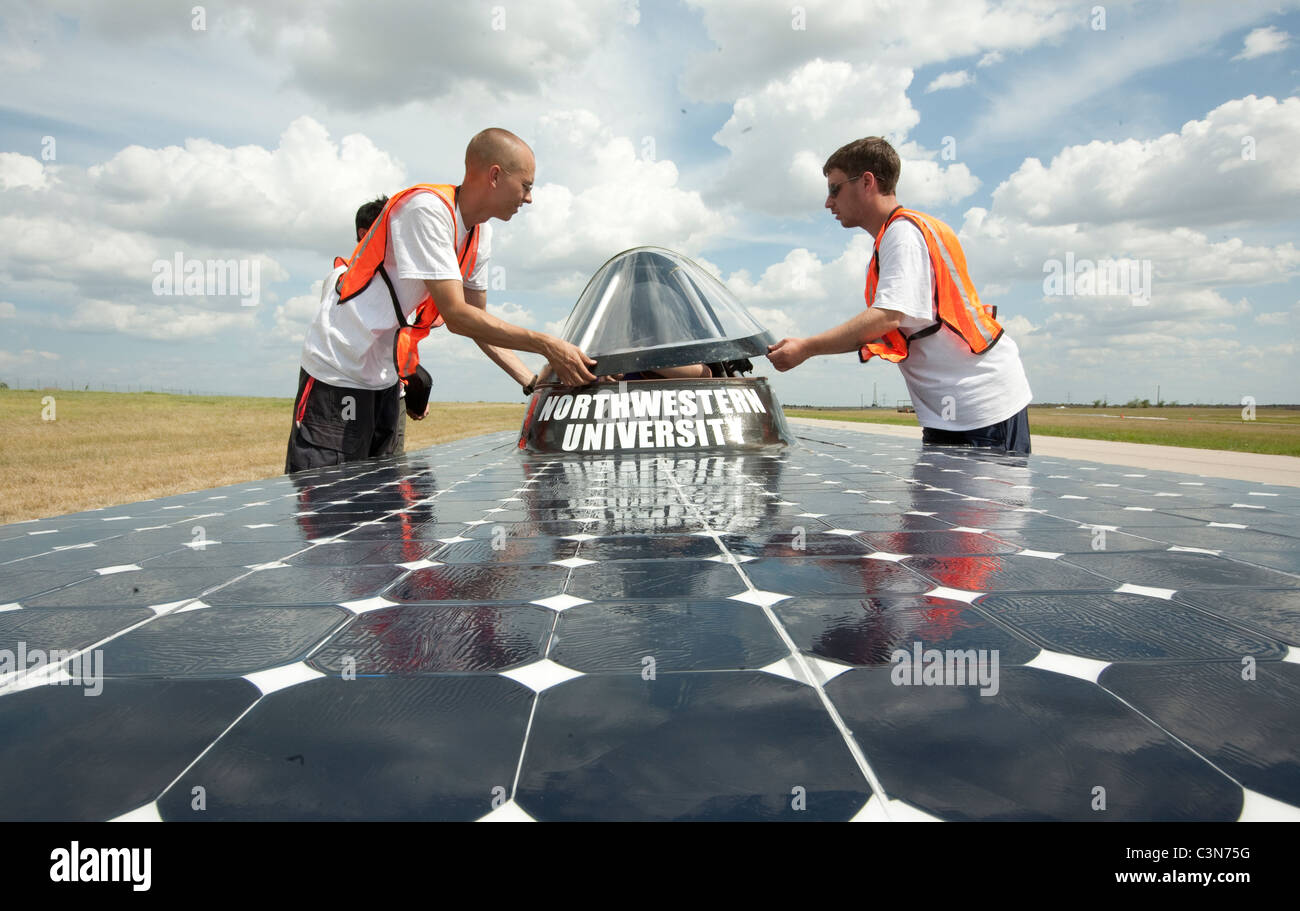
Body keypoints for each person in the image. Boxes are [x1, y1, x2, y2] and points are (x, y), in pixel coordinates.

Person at [286, 128, 596, 473]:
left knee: (377, 503)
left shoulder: (480, 233)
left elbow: (478, 322)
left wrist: (532, 382)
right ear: (495, 175)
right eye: (526, 186)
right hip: (337, 369)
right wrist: (547, 345)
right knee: (325, 500)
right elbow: (457, 315)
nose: (529, 199)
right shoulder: (427, 209)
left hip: (385, 378)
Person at [766, 136, 1032, 454]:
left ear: (867, 182)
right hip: (959, 414)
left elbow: (887, 316)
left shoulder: (902, 235)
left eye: (834, 188)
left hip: (979, 412)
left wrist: (806, 348)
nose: (828, 202)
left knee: (972, 505)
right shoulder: (900, 232)